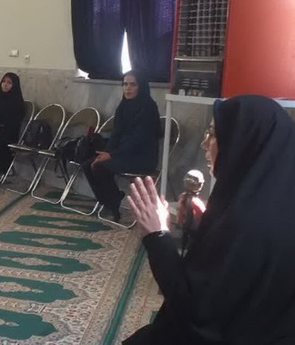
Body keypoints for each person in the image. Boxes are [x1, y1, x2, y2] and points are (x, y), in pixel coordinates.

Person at [125, 95, 295, 345]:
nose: (204, 143)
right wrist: (202, 227)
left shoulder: (244, 223)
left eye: (214, 134)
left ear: (243, 142)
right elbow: (233, 273)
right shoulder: (268, 198)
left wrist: (157, 234)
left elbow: (192, 307)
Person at [81, 70, 160, 222]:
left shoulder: (148, 107)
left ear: (141, 87)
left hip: (142, 156)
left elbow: (138, 139)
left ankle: (113, 204)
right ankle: (110, 200)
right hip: (123, 153)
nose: (128, 88)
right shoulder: (123, 106)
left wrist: (112, 155)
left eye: (133, 85)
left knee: (101, 167)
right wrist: (106, 152)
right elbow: (116, 134)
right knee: (89, 165)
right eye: (125, 84)